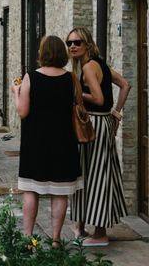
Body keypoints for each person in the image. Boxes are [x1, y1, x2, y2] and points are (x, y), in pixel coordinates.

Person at [11, 35, 82, 246]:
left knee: (31, 190)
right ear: (62, 54)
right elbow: (78, 104)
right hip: (64, 141)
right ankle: (56, 239)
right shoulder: (71, 78)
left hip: (36, 142)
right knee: (59, 192)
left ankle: (27, 237)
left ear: (43, 53)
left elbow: (23, 112)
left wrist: (16, 92)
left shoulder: (30, 77)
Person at [67, 27, 131, 246]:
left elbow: (97, 97)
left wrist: (73, 91)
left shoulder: (87, 67)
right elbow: (125, 85)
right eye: (69, 43)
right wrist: (116, 114)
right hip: (102, 124)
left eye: (77, 42)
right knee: (93, 173)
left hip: (92, 125)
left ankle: (100, 234)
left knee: (94, 176)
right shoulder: (100, 63)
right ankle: (82, 227)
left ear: (87, 44)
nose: (72, 46)